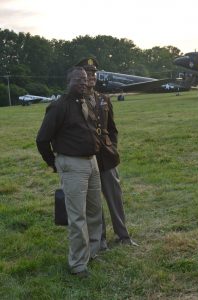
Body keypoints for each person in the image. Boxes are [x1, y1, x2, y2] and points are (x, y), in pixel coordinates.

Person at [36, 66, 102, 278]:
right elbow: (42, 139)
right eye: (78, 80)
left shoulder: (86, 103)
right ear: (68, 81)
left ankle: (92, 252)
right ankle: (78, 264)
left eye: (85, 79)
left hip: (92, 163)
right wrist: (53, 163)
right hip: (73, 165)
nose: (83, 83)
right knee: (77, 216)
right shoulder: (58, 106)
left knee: (94, 211)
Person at [76, 57, 138, 249]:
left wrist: (113, 147)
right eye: (87, 73)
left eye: (94, 73)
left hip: (107, 157)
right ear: (81, 76)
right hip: (87, 157)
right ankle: (99, 239)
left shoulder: (104, 99)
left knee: (115, 198)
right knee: (94, 203)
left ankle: (123, 236)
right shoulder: (74, 101)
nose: (92, 76)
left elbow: (112, 128)